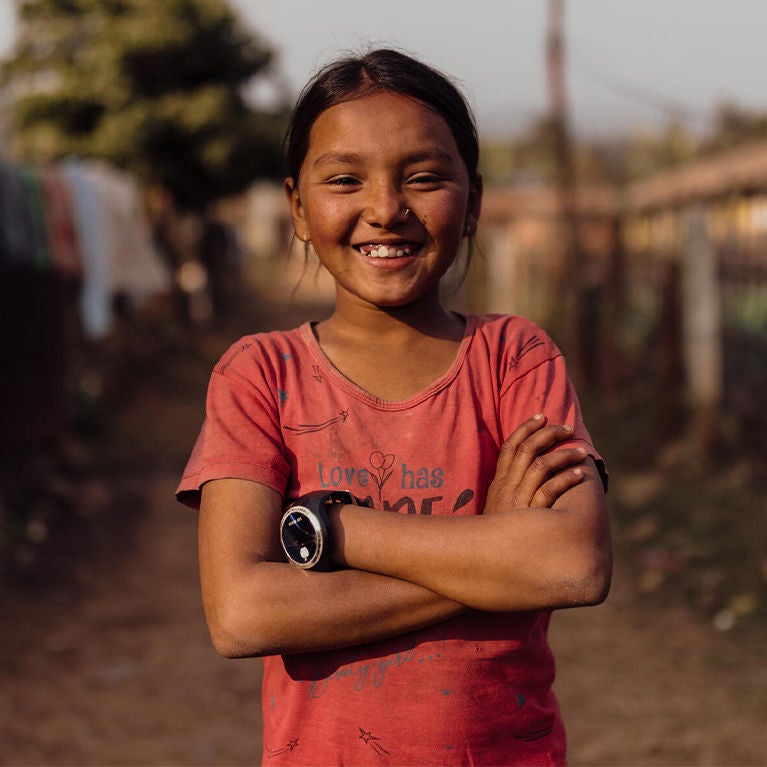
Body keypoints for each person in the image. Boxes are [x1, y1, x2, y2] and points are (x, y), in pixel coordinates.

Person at [177, 48, 611, 766]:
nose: (384, 209)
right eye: (345, 179)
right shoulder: (261, 375)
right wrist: (493, 548)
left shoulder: (514, 358)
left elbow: (572, 563)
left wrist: (332, 532)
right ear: (298, 207)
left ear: (471, 202)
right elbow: (241, 612)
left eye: (424, 177)